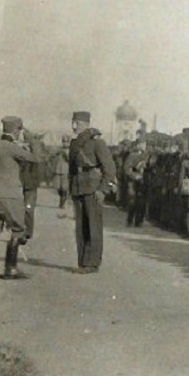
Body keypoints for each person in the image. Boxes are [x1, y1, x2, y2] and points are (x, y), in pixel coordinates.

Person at [0, 116, 40, 279]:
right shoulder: (12, 148)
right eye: (20, 130)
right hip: (11, 194)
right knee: (19, 229)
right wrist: (31, 139)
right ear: (16, 130)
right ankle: (10, 268)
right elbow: (36, 158)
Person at [69, 111, 117, 274]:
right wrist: (71, 188)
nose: (75, 126)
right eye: (74, 123)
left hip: (93, 188)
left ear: (87, 124)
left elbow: (110, 168)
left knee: (93, 226)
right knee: (80, 227)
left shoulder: (98, 143)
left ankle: (93, 262)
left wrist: (102, 190)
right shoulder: (74, 144)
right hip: (78, 187)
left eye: (79, 124)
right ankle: (82, 261)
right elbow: (72, 169)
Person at [124, 140, 149, 227]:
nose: (144, 146)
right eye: (143, 144)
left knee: (141, 202)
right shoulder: (132, 155)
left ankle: (139, 221)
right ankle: (130, 220)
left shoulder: (146, 155)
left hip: (143, 181)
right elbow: (127, 169)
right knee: (133, 201)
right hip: (133, 180)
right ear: (138, 145)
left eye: (145, 144)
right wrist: (134, 176)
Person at [51, 135, 71, 208]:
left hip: (66, 171)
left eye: (66, 142)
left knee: (64, 188)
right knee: (58, 188)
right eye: (64, 142)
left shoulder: (70, 150)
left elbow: (70, 160)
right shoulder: (59, 149)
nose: (65, 144)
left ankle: (62, 202)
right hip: (58, 170)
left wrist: (65, 154)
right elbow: (52, 156)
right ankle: (61, 199)